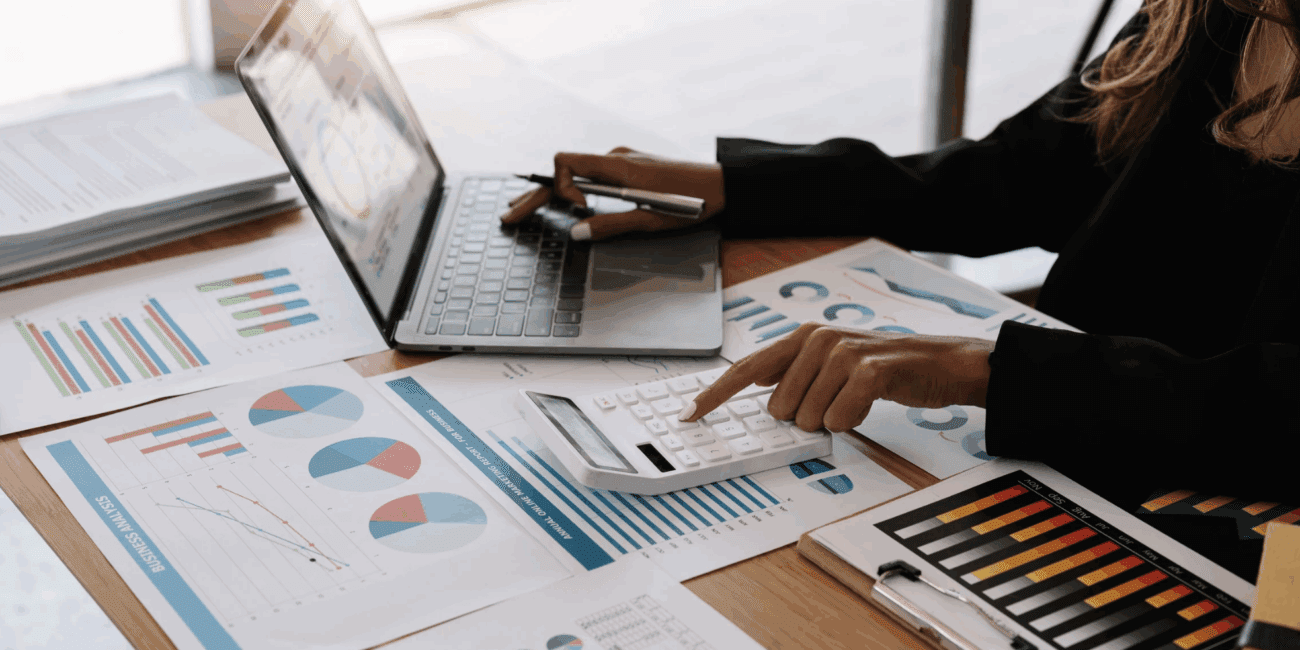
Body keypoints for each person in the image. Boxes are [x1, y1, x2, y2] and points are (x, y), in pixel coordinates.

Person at [501, 0, 1298, 582]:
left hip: (1218, 540)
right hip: (1057, 474)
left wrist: (989, 371)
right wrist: (735, 187)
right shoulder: (1209, 17)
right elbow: (1008, 179)